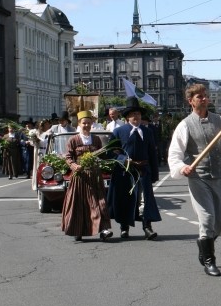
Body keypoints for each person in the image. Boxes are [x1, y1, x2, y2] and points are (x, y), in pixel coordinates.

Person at [168, 83, 221, 277]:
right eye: (199, 96)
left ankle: (204, 245)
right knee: (207, 218)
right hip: (199, 178)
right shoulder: (185, 125)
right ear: (191, 101)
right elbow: (175, 154)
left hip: (219, 176)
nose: (204, 99)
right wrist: (183, 167)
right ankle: (210, 261)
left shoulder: (220, 120)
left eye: (205, 95)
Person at [107, 97, 161, 240]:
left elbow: (152, 154)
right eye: (132, 114)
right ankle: (124, 228)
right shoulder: (119, 132)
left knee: (144, 200)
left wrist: (155, 173)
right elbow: (111, 152)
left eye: (138, 114)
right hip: (125, 172)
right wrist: (124, 160)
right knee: (126, 198)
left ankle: (147, 227)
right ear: (127, 117)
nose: (136, 116)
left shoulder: (147, 132)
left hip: (143, 171)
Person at [61, 110, 113, 242]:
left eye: (89, 123)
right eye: (84, 123)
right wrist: (74, 166)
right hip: (80, 176)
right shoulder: (73, 140)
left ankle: (104, 229)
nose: (86, 126)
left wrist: (109, 154)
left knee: (99, 202)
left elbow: (101, 155)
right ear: (79, 123)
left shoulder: (96, 139)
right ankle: (77, 230)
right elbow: (67, 157)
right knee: (79, 203)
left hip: (94, 175)